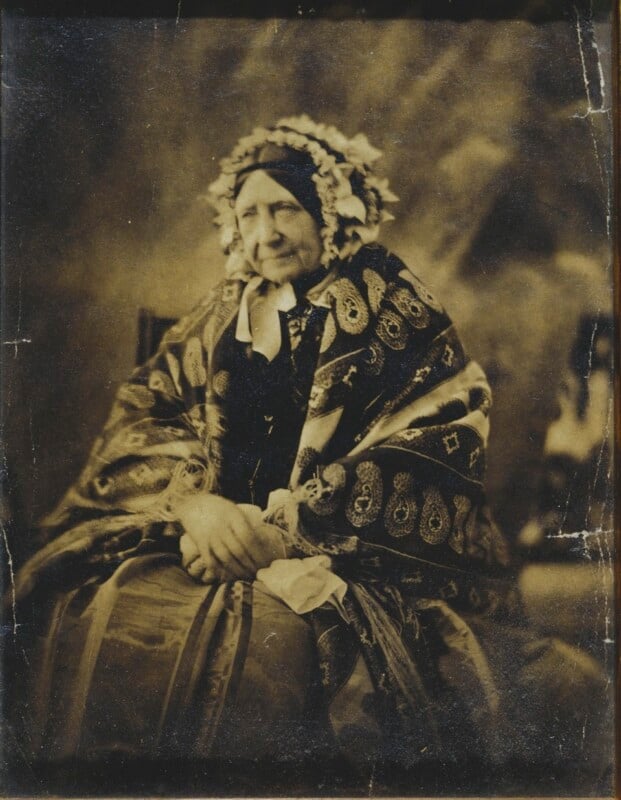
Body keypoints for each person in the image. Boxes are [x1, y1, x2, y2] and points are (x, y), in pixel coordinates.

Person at [8, 116, 609, 793]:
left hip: (334, 556)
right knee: (99, 617)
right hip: (199, 537)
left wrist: (285, 532)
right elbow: (149, 412)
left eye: (284, 210)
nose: (265, 233)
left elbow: (427, 434)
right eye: (250, 214)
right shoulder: (222, 312)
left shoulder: (393, 304)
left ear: (329, 210)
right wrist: (196, 508)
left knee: (266, 654)